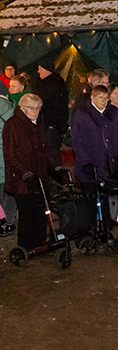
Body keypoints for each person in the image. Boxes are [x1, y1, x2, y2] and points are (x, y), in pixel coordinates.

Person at [2, 93, 64, 250]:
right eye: (32, 108)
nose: (35, 111)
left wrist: (55, 167)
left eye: (38, 108)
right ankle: (25, 246)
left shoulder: (38, 124)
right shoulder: (13, 125)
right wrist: (23, 172)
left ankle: (39, 243)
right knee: (27, 214)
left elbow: (45, 150)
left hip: (39, 176)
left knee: (40, 212)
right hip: (22, 180)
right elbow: (10, 154)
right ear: (22, 108)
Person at [72, 85, 118, 227]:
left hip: (109, 165)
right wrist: (85, 162)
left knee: (107, 197)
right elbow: (77, 141)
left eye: (106, 98)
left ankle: (107, 227)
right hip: (90, 165)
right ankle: (91, 228)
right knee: (90, 200)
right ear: (92, 97)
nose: (104, 101)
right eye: (100, 98)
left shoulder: (113, 112)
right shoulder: (82, 114)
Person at [34, 59, 69, 165]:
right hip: (48, 125)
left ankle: (56, 178)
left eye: (40, 69)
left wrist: (52, 125)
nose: (38, 71)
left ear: (45, 69)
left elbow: (58, 106)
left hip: (50, 126)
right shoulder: (49, 83)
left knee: (52, 155)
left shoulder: (52, 85)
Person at [0, 93, 17, 236]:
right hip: (8, 157)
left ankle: (1, 220)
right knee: (11, 190)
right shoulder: (13, 110)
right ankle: (10, 221)